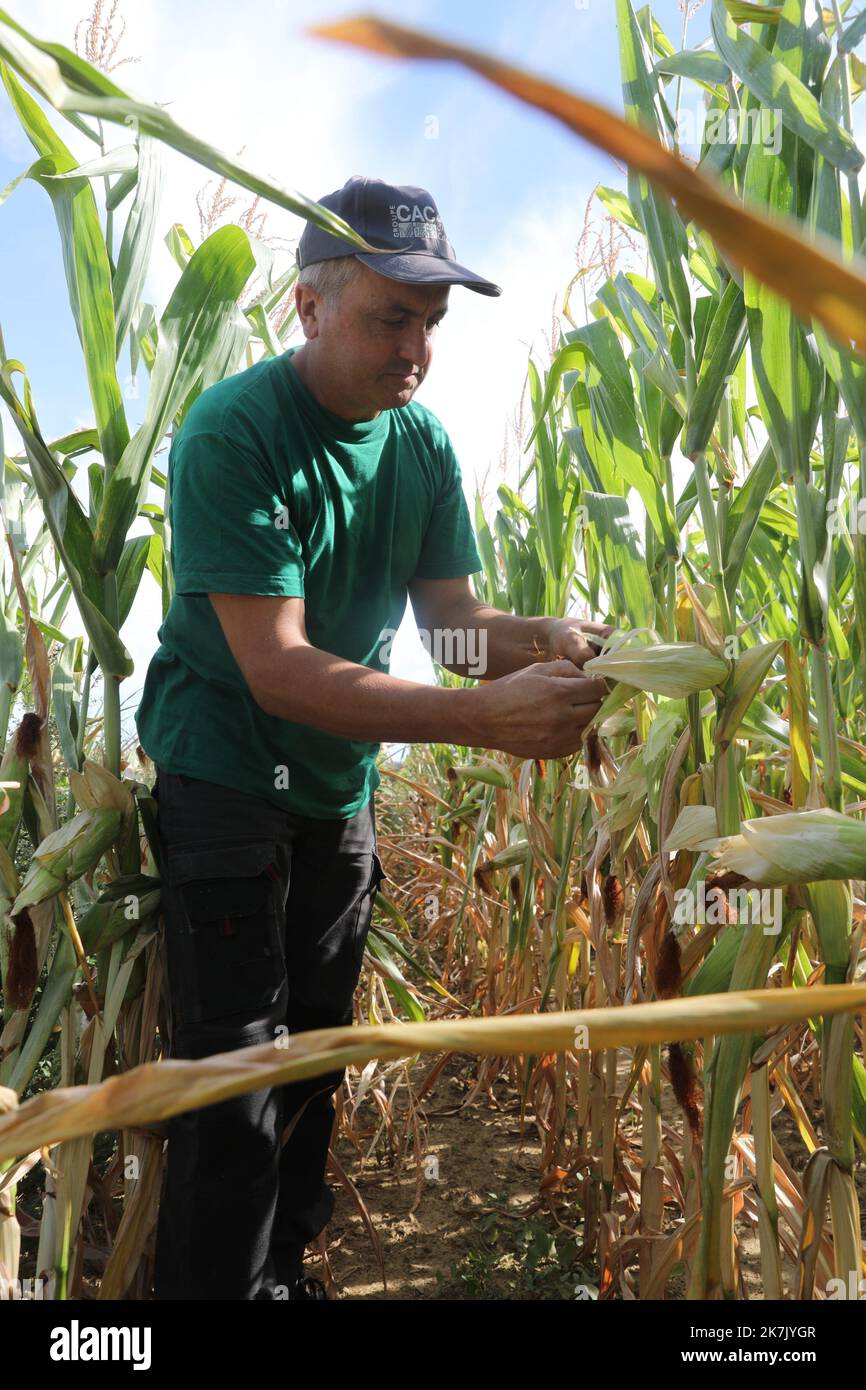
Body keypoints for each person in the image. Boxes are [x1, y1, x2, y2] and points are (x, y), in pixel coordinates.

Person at [135, 175, 611, 1300]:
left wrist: (533, 638)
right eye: (390, 316)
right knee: (236, 1078)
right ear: (309, 306)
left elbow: (449, 632)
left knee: (317, 1059)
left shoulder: (421, 447)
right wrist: (475, 720)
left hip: (332, 793)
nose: (415, 347)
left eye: (431, 323)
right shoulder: (235, 433)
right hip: (223, 774)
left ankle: (282, 1277)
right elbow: (280, 669)